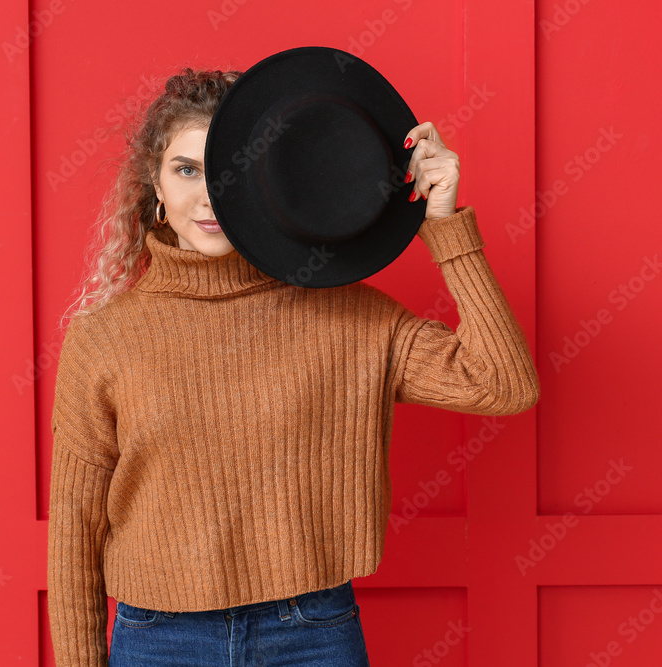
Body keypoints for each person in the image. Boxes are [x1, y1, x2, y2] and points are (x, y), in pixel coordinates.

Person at [47, 67, 540, 666]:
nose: (209, 195)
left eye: (229, 172)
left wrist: (444, 225)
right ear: (154, 182)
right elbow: (74, 534)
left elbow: (503, 384)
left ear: (262, 181)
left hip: (312, 633)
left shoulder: (347, 314)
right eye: (186, 170)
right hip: (159, 639)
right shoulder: (105, 337)